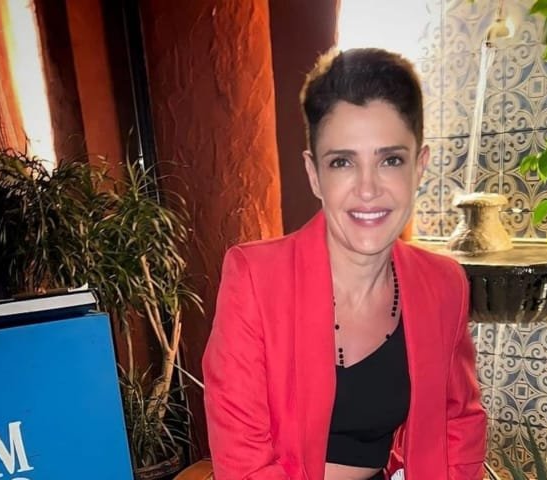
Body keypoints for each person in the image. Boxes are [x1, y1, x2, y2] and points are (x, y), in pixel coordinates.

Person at [203, 48, 486, 480]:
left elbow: (459, 421)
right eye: (342, 162)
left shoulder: (443, 283)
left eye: (390, 160)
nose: (368, 189)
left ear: (419, 167)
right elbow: (244, 463)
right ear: (314, 174)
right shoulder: (256, 279)